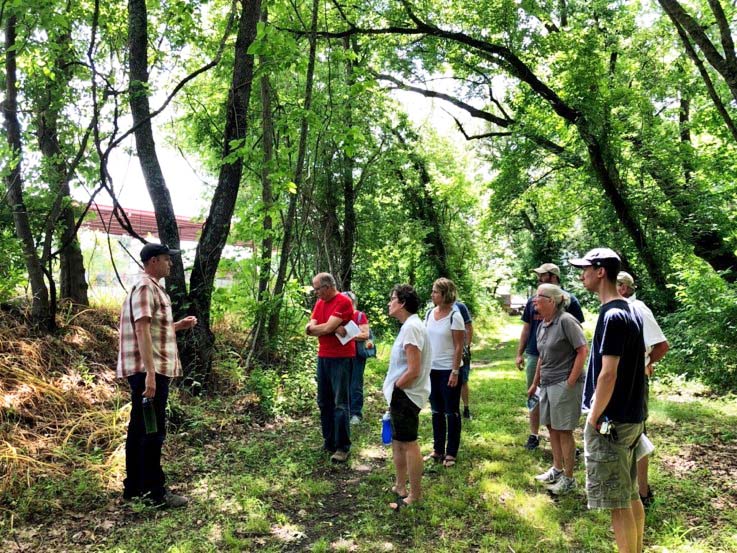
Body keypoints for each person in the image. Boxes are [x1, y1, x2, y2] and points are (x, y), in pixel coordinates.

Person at [570, 248, 646, 553]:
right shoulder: (629, 311)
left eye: (586, 269)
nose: (581, 275)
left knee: (618, 503)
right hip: (631, 417)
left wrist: (593, 416)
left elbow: (608, 374)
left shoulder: (612, 315)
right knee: (630, 494)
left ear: (601, 271)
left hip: (611, 421)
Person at [117, 242, 197, 508]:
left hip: (150, 370)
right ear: (153, 261)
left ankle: (135, 488)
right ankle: (154, 492)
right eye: (166, 259)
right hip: (149, 371)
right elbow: (141, 331)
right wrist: (150, 374)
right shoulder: (145, 287)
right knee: (152, 430)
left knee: (141, 427)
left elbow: (151, 329)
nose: (170, 264)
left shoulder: (152, 288)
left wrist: (177, 326)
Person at [516, 263, 584, 450]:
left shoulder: (570, 301)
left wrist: (571, 378)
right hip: (535, 353)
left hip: (562, 359)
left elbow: (578, 334)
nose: (539, 278)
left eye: (542, 275)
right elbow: (527, 327)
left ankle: (566, 439)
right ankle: (534, 434)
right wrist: (519, 353)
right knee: (535, 394)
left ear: (553, 277)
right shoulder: (533, 302)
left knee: (561, 399)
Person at [528, 283, 588, 495]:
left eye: (539, 297)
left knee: (564, 430)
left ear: (551, 301)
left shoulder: (566, 321)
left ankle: (569, 479)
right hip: (547, 383)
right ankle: (557, 469)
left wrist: (571, 381)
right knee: (552, 427)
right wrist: (535, 383)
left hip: (564, 383)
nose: (535, 301)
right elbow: (542, 357)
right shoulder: (543, 324)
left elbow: (582, 350)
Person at [617, 271, 669, 507]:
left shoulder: (638, 308)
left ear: (625, 288)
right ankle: (629, 488)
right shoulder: (616, 309)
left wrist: (645, 365)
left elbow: (661, 345)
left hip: (635, 383)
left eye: (615, 284)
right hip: (620, 382)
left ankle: (643, 492)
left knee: (638, 434)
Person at [383, 285, 432, 511]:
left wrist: (397, 386)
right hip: (401, 394)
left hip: (407, 394)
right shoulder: (409, 326)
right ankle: (400, 486)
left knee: (408, 443)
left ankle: (415, 494)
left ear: (402, 303)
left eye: (392, 299)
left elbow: (413, 369)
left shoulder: (412, 327)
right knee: (397, 441)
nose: (389, 303)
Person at [306, 273, 355, 463]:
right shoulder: (320, 303)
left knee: (340, 403)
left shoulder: (343, 302)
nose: (316, 293)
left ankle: (342, 447)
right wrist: (329, 328)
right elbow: (311, 327)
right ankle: (329, 441)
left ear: (327, 287)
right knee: (324, 401)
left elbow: (323, 328)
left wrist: (326, 328)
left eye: (317, 289)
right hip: (323, 356)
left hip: (341, 358)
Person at [424, 277, 465, 468]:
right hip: (432, 369)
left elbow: (459, 346)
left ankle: (451, 452)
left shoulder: (454, 316)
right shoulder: (429, 314)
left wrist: (455, 371)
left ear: (445, 294)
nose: (432, 295)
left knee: (451, 412)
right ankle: (438, 449)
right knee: (436, 411)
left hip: (449, 369)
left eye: (435, 292)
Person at [342, 291, 374, 425]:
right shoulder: (339, 317)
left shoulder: (359, 315)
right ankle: (345, 411)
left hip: (356, 354)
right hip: (342, 354)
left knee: (355, 384)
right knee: (343, 383)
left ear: (352, 302)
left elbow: (365, 334)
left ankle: (356, 413)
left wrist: (348, 336)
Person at [455, 300, 474, 419]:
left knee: (463, 380)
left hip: (462, 350)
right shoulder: (434, 308)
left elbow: (469, 326)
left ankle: (466, 408)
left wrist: (466, 346)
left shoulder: (460, 306)